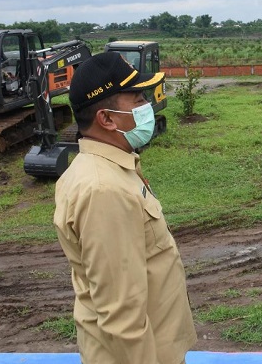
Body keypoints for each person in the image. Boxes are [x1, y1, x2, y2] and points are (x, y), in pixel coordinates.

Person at [54, 51, 197, 364]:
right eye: (138, 99)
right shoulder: (103, 191)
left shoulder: (108, 169)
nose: (147, 105)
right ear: (106, 119)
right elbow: (121, 315)